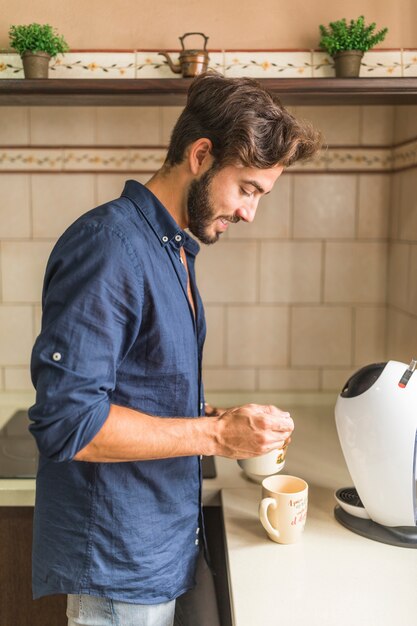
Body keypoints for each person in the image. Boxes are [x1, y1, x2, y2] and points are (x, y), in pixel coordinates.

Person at [28, 72, 321, 626]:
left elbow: (139, 386)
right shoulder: (112, 247)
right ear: (202, 154)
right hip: (120, 566)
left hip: (157, 549)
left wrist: (215, 419)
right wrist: (213, 435)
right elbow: (69, 421)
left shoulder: (171, 248)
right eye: (247, 189)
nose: (249, 213)